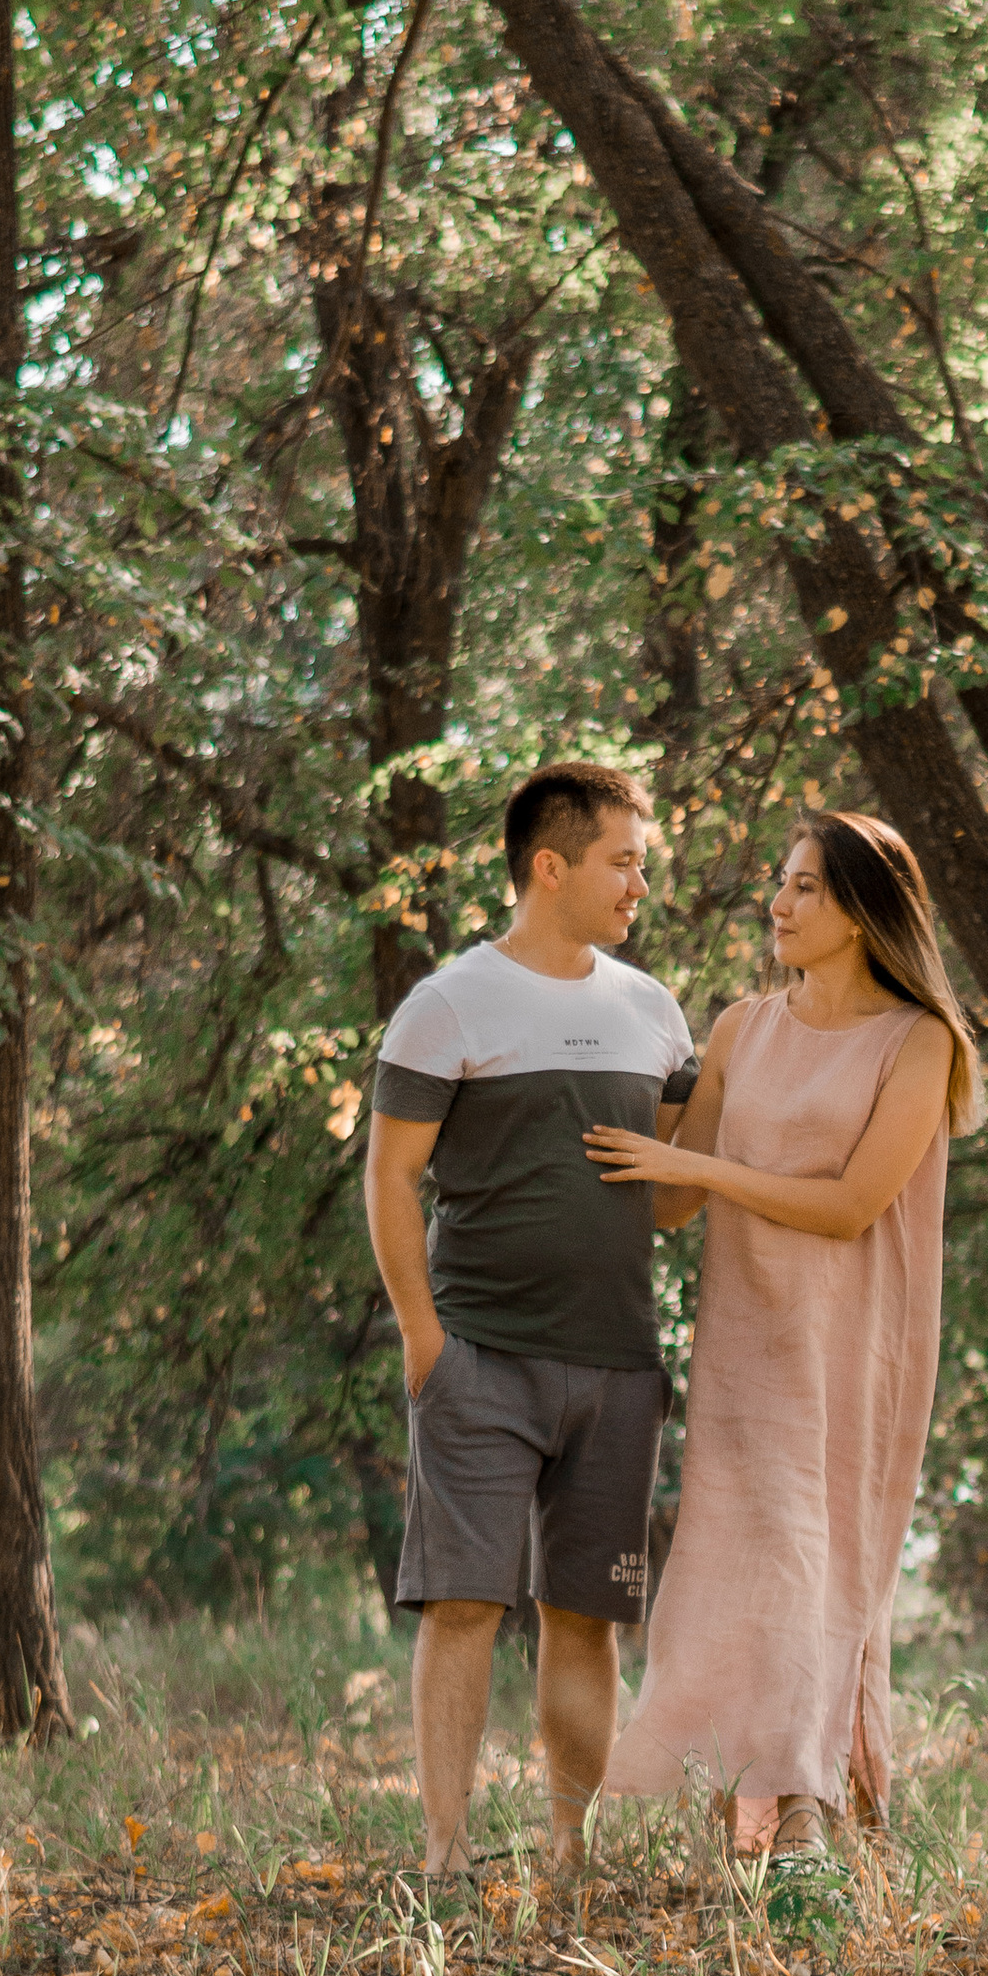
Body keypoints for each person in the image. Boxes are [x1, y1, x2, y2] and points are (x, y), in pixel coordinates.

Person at [584, 811, 982, 1869]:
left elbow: (852, 1205)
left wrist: (695, 1173)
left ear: (862, 911)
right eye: (782, 882)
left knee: (819, 1562)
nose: (779, 903)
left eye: (805, 887)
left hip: (854, 1352)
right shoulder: (738, 1029)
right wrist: (594, 1091)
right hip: (744, 1345)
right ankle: (767, 1809)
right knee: (740, 1564)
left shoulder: (919, 1041)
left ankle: (805, 1811)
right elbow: (668, 1203)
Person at [364, 763, 700, 1884]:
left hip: (619, 1364)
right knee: (462, 1604)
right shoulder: (450, 1001)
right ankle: (446, 1856)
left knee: (583, 1617)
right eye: (622, 861)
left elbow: (674, 1195)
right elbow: (390, 1178)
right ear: (548, 866)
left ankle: (567, 1851)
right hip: (480, 1358)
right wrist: (425, 1340)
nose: (638, 883)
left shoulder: (652, 1009)